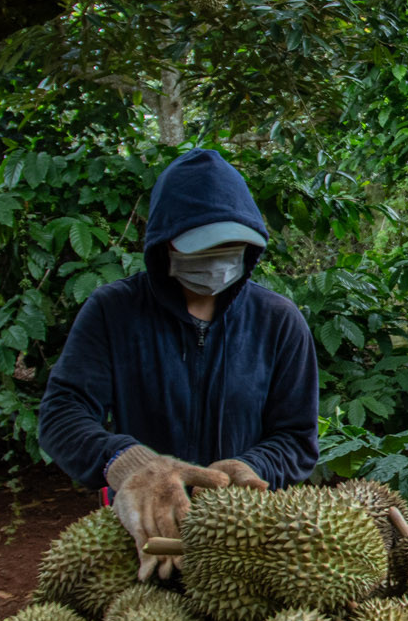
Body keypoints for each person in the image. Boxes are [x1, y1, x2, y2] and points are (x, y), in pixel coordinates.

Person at [39, 148, 320, 579]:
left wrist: (254, 467)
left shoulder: (279, 321)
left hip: (244, 540)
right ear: (164, 244)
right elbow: (63, 414)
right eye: (204, 247)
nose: (219, 258)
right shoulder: (113, 312)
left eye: (232, 246)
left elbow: (296, 437)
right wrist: (128, 463)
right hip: (144, 535)